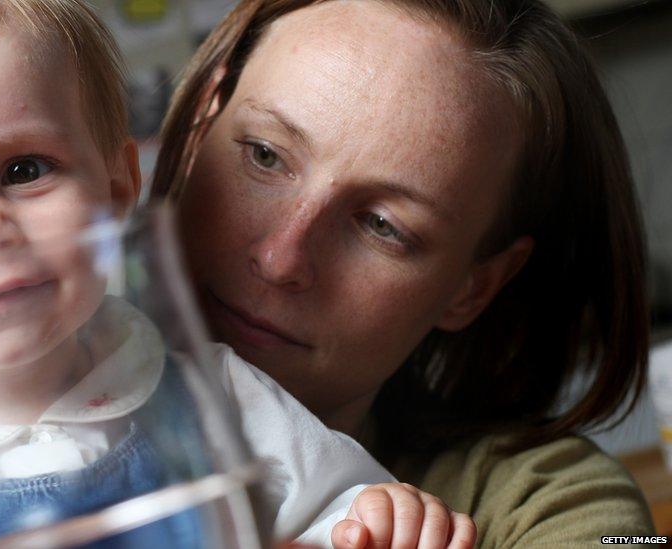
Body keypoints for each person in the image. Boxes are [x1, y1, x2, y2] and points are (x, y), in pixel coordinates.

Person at [0, 1, 476, 548]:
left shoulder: (225, 401)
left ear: (115, 191)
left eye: (23, 169)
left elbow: (350, 514)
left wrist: (385, 522)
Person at [151, 0, 655, 545]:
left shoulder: (544, 504)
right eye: (265, 156)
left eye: (383, 226)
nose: (280, 260)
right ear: (205, 118)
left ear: (474, 287)